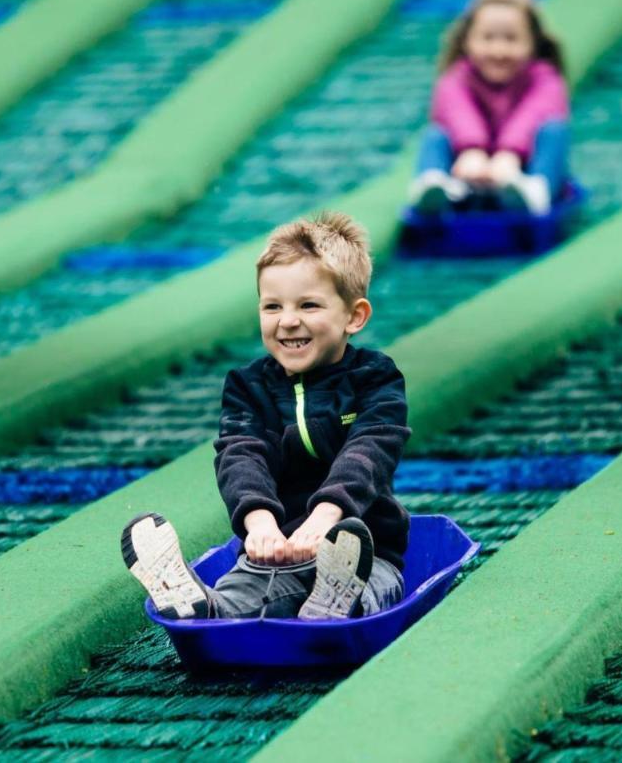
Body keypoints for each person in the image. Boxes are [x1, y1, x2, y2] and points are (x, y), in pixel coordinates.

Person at [121, 213, 411, 621]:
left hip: (363, 548)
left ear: (354, 316)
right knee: (244, 593)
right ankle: (198, 604)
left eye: (308, 305)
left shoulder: (375, 379)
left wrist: (327, 516)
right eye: (272, 306)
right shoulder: (248, 386)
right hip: (276, 552)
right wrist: (260, 526)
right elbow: (242, 454)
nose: (287, 320)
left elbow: (371, 450)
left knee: (374, 585)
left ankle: (340, 603)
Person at [409, 0, 570, 216]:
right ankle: (435, 185)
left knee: (554, 131)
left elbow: (535, 111)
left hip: (521, 169)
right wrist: (472, 149)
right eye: (488, 38)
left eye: (511, 39)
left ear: (532, 43)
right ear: (468, 41)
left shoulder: (546, 80)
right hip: (467, 170)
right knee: (436, 135)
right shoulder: (456, 79)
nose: (499, 50)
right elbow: (457, 111)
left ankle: (535, 191)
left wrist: (510, 153)